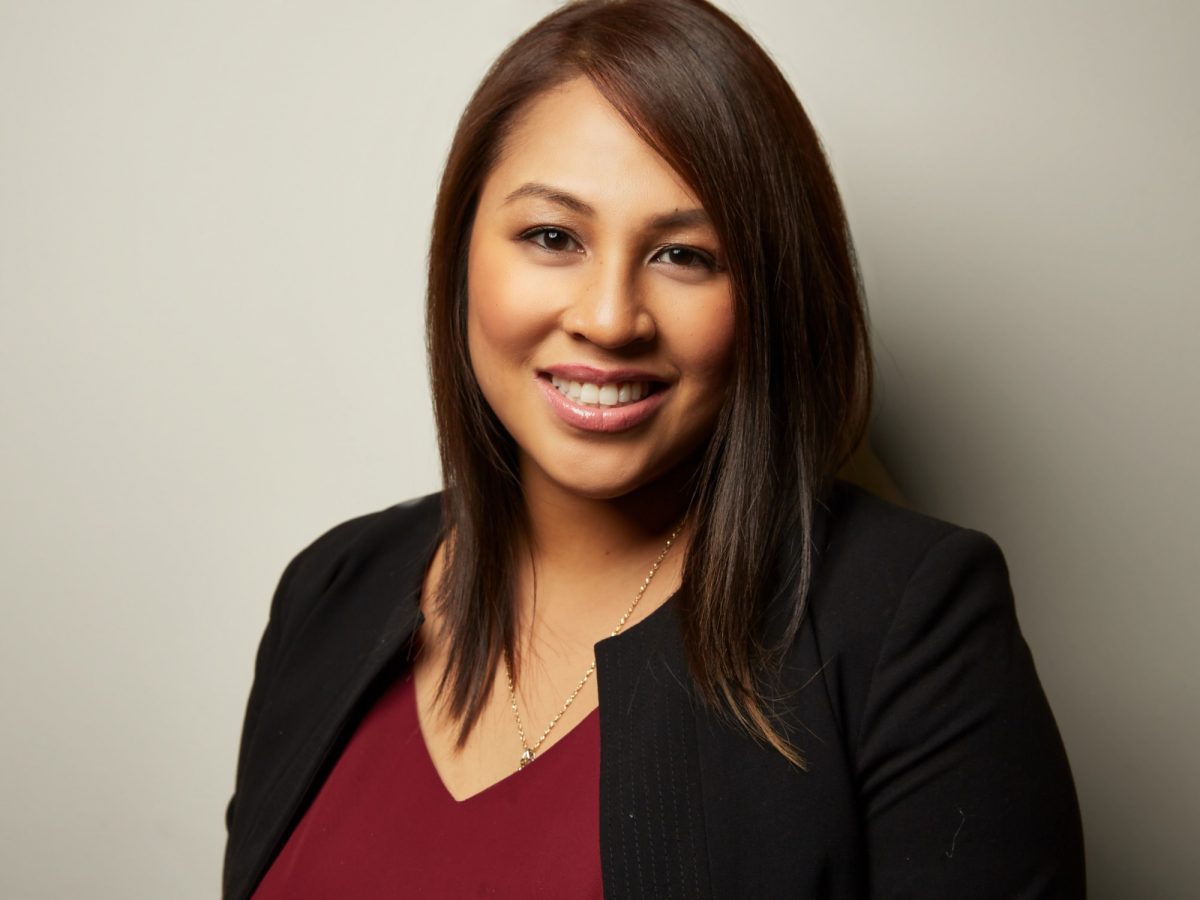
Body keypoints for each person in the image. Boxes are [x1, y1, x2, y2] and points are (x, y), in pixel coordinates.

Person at [223, 1, 1085, 897]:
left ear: (770, 293)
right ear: (462, 253)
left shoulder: (910, 623)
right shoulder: (328, 590)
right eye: (552, 237)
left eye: (684, 254)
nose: (607, 319)